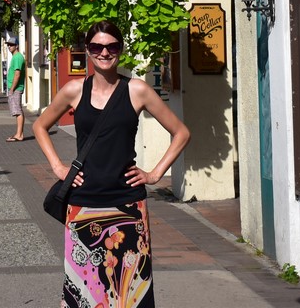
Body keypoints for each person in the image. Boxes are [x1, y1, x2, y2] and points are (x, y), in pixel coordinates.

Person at [33, 20, 190, 307]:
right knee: (85, 290)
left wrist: (154, 173)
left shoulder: (137, 90)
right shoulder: (73, 90)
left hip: (127, 206)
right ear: (88, 51)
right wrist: (57, 167)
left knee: (130, 292)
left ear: (120, 49)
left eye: (111, 46)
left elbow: (181, 133)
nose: (104, 53)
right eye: (97, 47)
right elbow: (40, 126)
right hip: (83, 205)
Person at [5, 38, 26, 141]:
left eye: (11, 45)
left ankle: (19, 135)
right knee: (17, 111)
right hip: (14, 88)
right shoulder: (15, 57)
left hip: (16, 88)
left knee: (17, 111)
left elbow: (17, 74)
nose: (9, 46)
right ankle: (19, 134)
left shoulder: (17, 57)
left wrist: (12, 89)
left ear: (16, 46)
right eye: (8, 45)